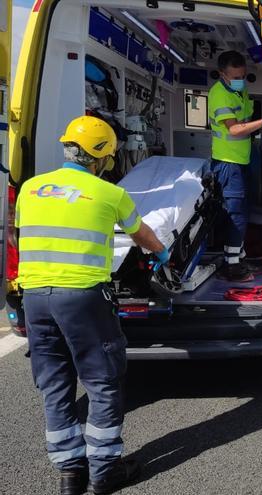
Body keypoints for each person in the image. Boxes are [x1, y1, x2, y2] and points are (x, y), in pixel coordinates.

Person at [17, 116, 169, 495]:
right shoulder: (109, 194)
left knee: (54, 383)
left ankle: (69, 470)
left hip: (34, 298)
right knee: (102, 381)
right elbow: (143, 235)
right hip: (83, 299)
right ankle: (104, 470)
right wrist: (162, 251)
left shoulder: (30, 189)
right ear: (101, 157)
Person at [208, 50, 262, 282]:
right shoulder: (219, 96)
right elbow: (235, 129)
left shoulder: (240, 91)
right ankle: (232, 267)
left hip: (242, 160)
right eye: (235, 77)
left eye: (242, 75)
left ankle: (240, 258)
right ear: (223, 75)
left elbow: (245, 121)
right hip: (228, 163)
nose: (240, 80)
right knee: (235, 213)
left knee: (243, 212)